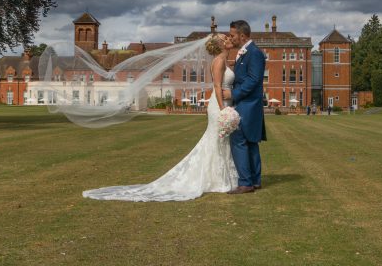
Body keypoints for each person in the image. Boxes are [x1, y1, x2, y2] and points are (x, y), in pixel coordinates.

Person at [82, 34, 238, 201]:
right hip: (219, 105)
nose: (230, 39)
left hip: (224, 103)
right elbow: (216, 86)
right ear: (221, 44)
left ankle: (219, 179)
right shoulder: (219, 61)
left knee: (219, 141)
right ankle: (217, 180)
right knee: (216, 141)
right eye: (226, 38)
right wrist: (223, 109)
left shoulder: (224, 60)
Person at [222, 20, 266, 194]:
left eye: (233, 35)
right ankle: (255, 181)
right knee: (250, 142)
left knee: (238, 140)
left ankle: (245, 183)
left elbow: (253, 80)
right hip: (248, 104)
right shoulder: (245, 53)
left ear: (242, 35)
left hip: (247, 104)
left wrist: (233, 94)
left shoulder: (254, 53)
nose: (231, 38)